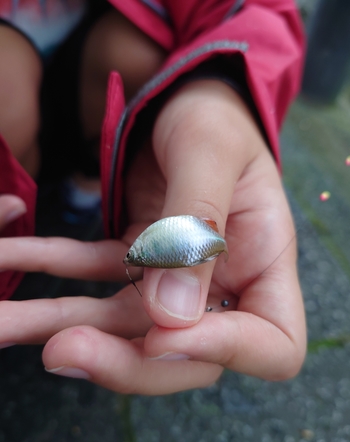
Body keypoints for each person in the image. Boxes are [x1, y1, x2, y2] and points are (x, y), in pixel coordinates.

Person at [0, 0, 307, 395]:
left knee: (130, 53)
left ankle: (88, 182)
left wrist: (221, 93)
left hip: (124, 48)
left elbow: (258, 12)